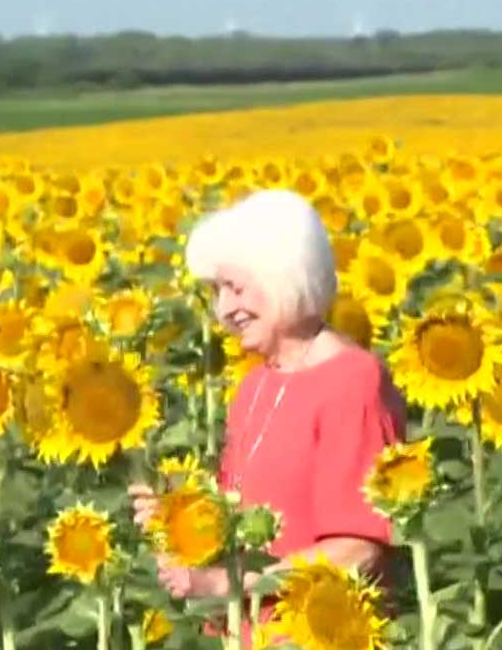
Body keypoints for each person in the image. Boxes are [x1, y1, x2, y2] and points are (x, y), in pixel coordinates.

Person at [128, 189, 407, 634]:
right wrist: (179, 515)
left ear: (287, 277)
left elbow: (357, 547)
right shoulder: (258, 382)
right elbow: (244, 514)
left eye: (236, 289)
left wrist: (226, 584)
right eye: (218, 292)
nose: (224, 310)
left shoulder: (352, 381)